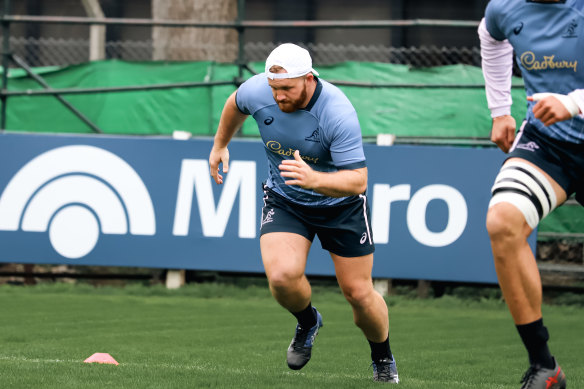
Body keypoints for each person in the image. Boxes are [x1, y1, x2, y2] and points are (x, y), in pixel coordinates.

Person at [208, 43, 399, 383]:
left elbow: (358, 181)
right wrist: (220, 144)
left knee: (359, 294)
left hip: (340, 207)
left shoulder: (336, 112)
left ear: (308, 79)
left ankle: (382, 357)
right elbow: (234, 105)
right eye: (273, 89)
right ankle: (309, 321)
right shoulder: (258, 90)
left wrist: (315, 180)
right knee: (281, 277)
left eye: (286, 89)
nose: (278, 96)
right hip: (286, 200)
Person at [479, 1, 583, 388]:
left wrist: (574, 103)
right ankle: (543, 365)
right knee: (502, 223)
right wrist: (499, 109)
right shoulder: (505, 7)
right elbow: (489, 36)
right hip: (549, 143)